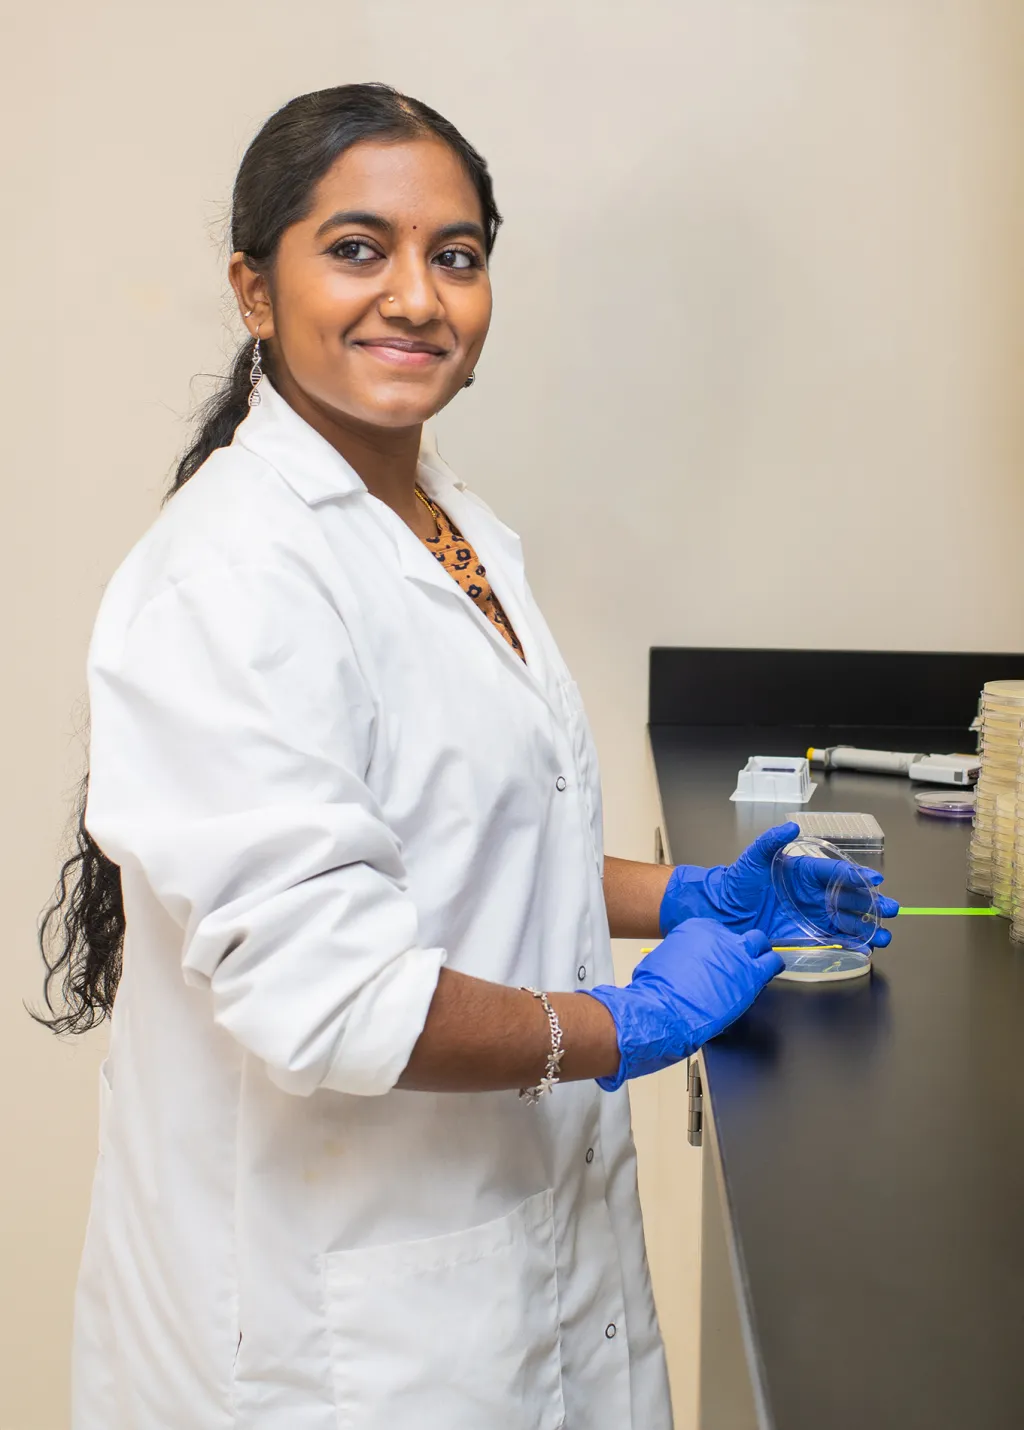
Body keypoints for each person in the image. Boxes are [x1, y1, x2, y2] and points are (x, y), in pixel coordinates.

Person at [39, 84, 897, 1430]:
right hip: (335, 1341)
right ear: (254, 292)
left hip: (501, 1274)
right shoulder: (232, 577)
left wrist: (680, 896)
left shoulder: (451, 527)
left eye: (457, 254)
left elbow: (475, 827)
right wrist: (626, 1024)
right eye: (358, 248)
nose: (418, 297)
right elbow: (335, 996)